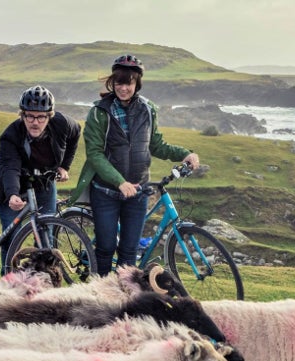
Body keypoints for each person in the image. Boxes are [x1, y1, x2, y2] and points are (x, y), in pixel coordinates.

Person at [71, 54, 199, 276]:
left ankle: (124, 298)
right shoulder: (99, 112)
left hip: (137, 193)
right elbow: (94, 154)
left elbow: (156, 145)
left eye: (128, 83)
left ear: (136, 83)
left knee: (129, 251)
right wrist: (119, 182)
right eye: (119, 82)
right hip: (106, 192)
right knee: (106, 249)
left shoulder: (147, 110)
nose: (123, 88)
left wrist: (185, 153)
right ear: (113, 82)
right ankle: (100, 297)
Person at [0, 85, 81, 273]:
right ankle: (7, 279)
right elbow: (10, 168)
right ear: (22, 115)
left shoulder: (62, 124)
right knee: (12, 235)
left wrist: (64, 165)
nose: (35, 122)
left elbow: (76, 134)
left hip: (43, 181)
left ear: (50, 116)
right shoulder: (11, 135)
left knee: (46, 230)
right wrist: (13, 194)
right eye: (29, 116)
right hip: (13, 183)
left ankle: (44, 278)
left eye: (41, 117)